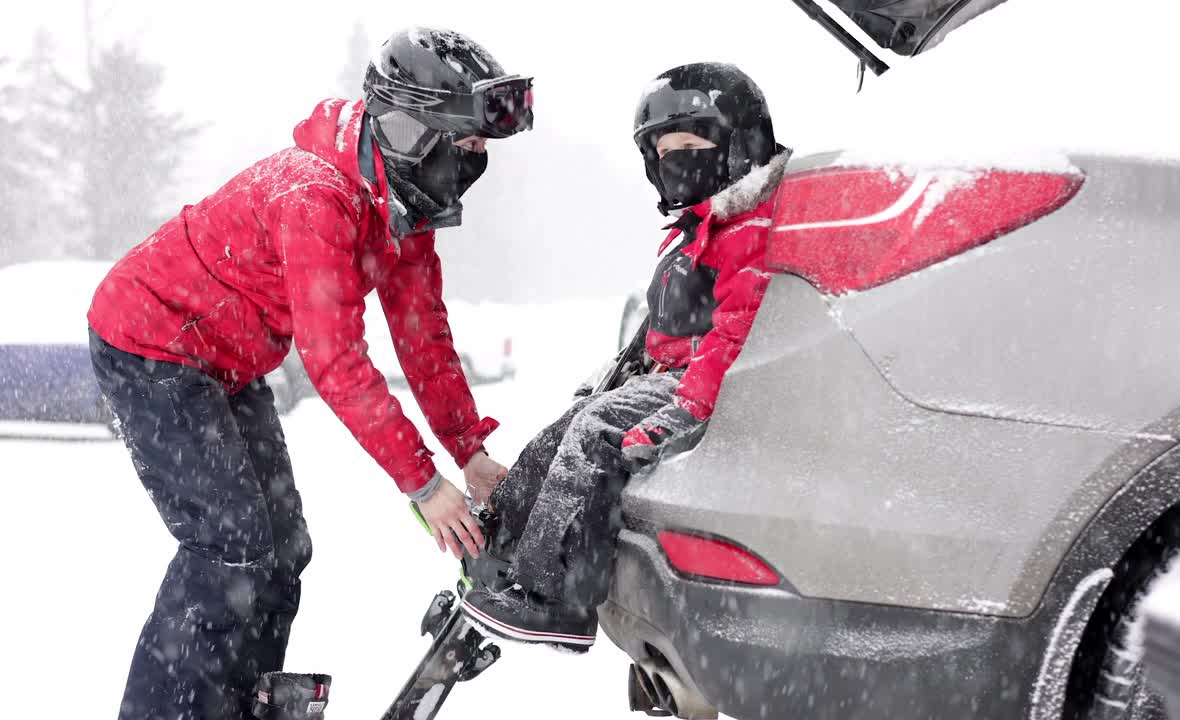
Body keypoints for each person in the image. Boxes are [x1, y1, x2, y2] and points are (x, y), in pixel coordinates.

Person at [87, 27, 531, 720]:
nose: (475, 163)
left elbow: (424, 339)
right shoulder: (314, 196)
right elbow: (333, 359)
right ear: (412, 130)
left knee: (283, 549)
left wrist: (468, 451)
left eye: (482, 151)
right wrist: (422, 483)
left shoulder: (402, 204)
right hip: (151, 345)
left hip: (224, 362)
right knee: (230, 548)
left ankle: (236, 703)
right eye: (466, 144)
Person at [459, 62, 791, 650]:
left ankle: (555, 596)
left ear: (739, 144)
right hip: (664, 376)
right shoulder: (696, 230)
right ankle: (499, 549)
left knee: (594, 437)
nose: (676, 162)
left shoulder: (752, 229)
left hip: (702, 388)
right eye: (664, 152)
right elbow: (657, 329)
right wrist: (613, 378)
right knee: (563, 430)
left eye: (692, 145)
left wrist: (683, 409)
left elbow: (736, 334)